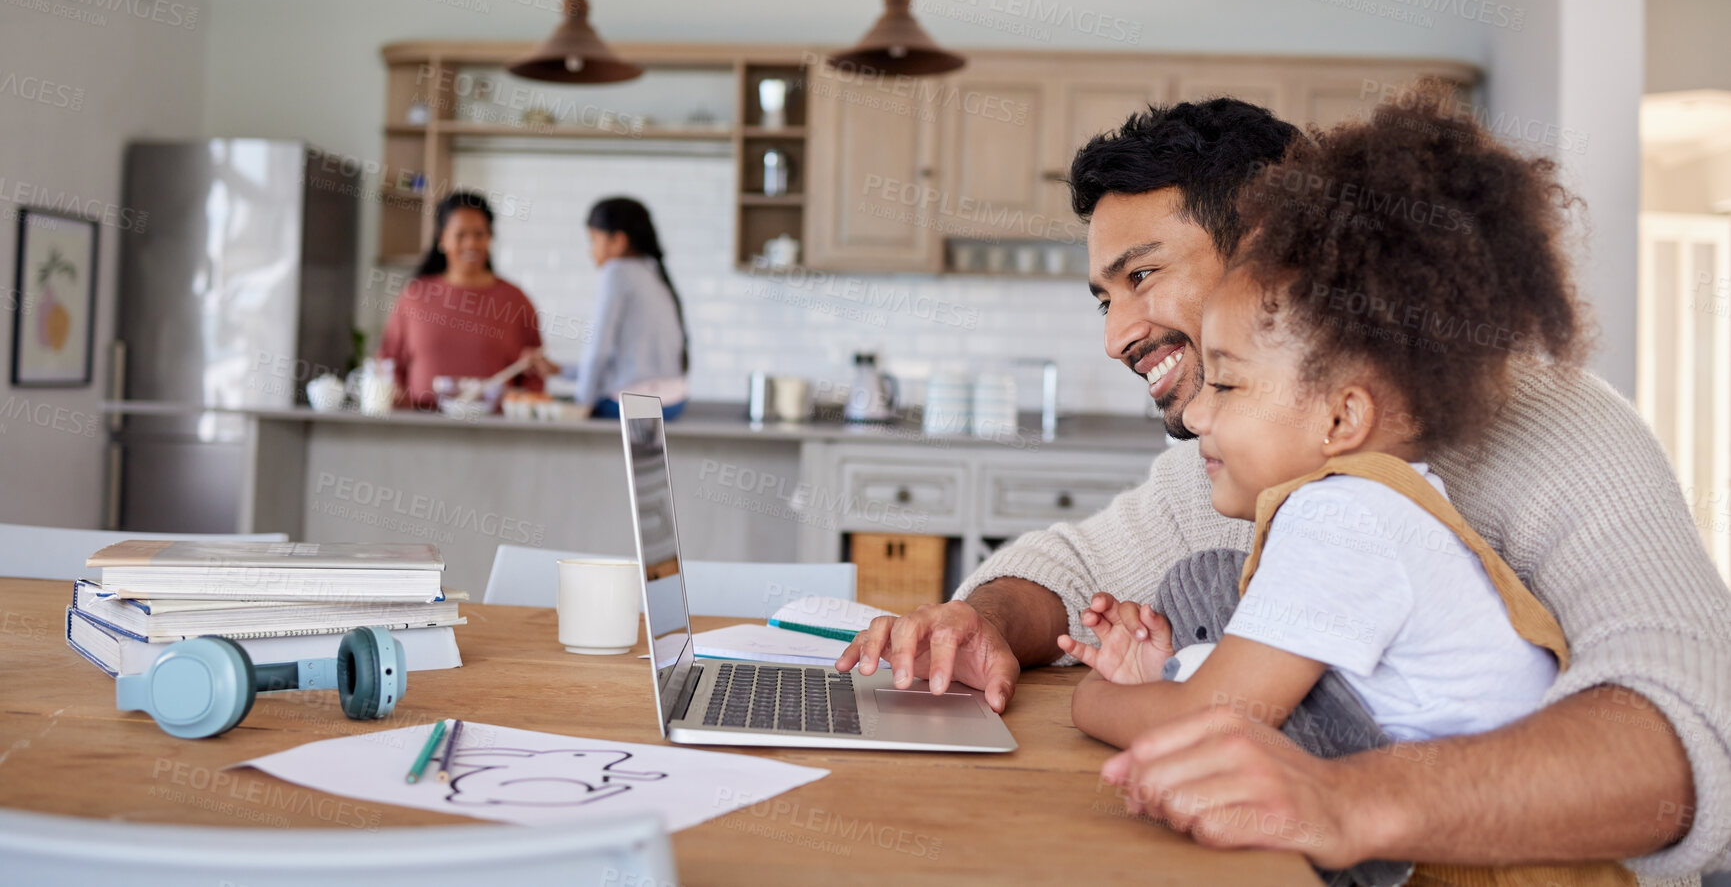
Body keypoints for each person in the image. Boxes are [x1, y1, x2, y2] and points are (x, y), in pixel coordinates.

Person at [835, 94, 1731, 881]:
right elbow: (1068, 565)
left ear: (1268, 247)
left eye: (1140, 275)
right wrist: (981, 621)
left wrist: (1347, 801)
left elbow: (1695, 732)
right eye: (1102, 298)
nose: (1114, 337)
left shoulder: (1561, 427)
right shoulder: (1246, 458)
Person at [1065, 97, 1630, 886]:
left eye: (1225, 383)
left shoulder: (1342, 516)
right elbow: (1325, 693)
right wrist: (1168, 669)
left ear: (1341, 414)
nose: (1197, 411)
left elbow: (1216, 717)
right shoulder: (1378, 494)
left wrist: (1092, 700)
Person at [377, 191, 544, 409]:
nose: (471, 244)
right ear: (442, 239)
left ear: (490, 238)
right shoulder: (415, 296)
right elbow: (389, 363)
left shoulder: (515, 301)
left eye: (479, 234)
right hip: (420, 428)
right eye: (461, 235)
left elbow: (533, 374)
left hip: (495, 432)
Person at [541, 197, 689, 420]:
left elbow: (598, 349)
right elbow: (630, 365)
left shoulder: (616, 272)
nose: (590, 251)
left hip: (635, 405)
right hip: (675, 400)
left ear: (618, 241)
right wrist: (562, 371)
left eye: (593, 240)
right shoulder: (652, 271)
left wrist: (582, 403)